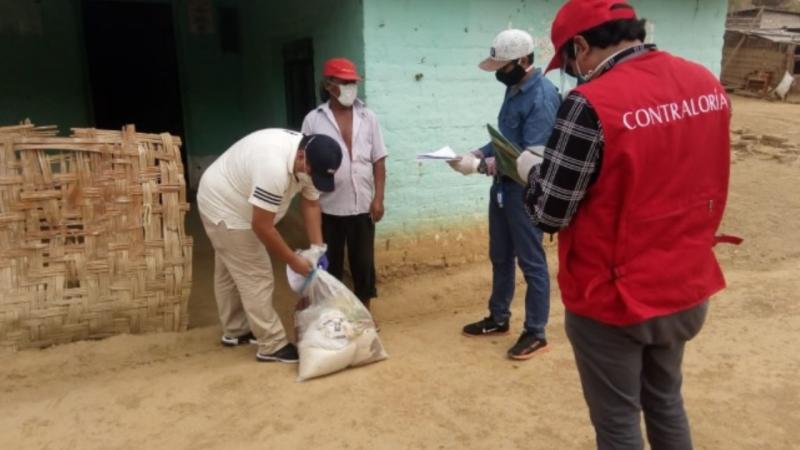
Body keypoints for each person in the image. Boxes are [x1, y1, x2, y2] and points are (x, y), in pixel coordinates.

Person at [517, 1, 732, 448]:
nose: (573, 73)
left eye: (569, 62)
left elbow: (550, 213)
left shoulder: (590, 103)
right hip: (685, 283)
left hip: (614, 296)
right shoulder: (704, 82)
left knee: (617, 424)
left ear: (580, 46)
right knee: (666, 402)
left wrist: (532, 172)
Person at [448, 29, 560, 360]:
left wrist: (479, 167)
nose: (498, 72)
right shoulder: (514, 88)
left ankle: (536, 332)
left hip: (525, 191)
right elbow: (505, 142)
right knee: (500, 255)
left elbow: (530, 157)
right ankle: (499, 318)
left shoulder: (542, 98)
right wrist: (476, 153)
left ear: (523, 61)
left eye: (503, 66)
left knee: (531, 261)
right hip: (502, 189)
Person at [197, 129, 343, 363]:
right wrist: (293, 261)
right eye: (311, 173)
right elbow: (262, 226)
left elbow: (311, 204)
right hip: (224, 206)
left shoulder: (312, 161)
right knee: (256, 275)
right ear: (301, 157)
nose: (313, 179)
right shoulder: (272, 166)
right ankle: (272, 344)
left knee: (230, 266)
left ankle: (235, 331)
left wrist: (317, 248)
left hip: (233, 194)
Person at [301, 58, 388, 312]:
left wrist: (379, 198)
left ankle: (365, 315)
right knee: (331, 265)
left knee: (364, 264)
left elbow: (379, 159)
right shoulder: (314, 120)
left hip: (363, 205)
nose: (351, 87)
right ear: (329, 86)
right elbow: (305, 162)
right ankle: (334, 316)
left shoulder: (368, 117)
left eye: (353, 82)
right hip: (328, 206)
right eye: (345, 82)